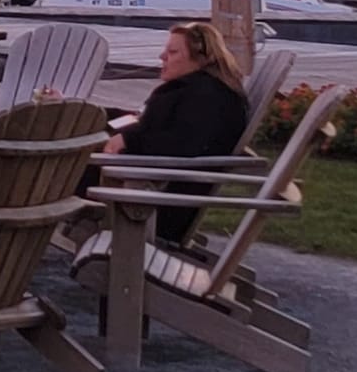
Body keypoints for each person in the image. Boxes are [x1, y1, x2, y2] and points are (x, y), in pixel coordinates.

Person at [100, 18, 250, 250]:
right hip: (147, 186)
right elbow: (144, 122)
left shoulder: (206, 97)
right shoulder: (196, 90)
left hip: (151, 202)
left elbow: (184, 144)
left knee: (56, 169)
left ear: (201, 58)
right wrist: (97, 116)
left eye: (172, 52)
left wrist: (129, 139)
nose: (162, 57)